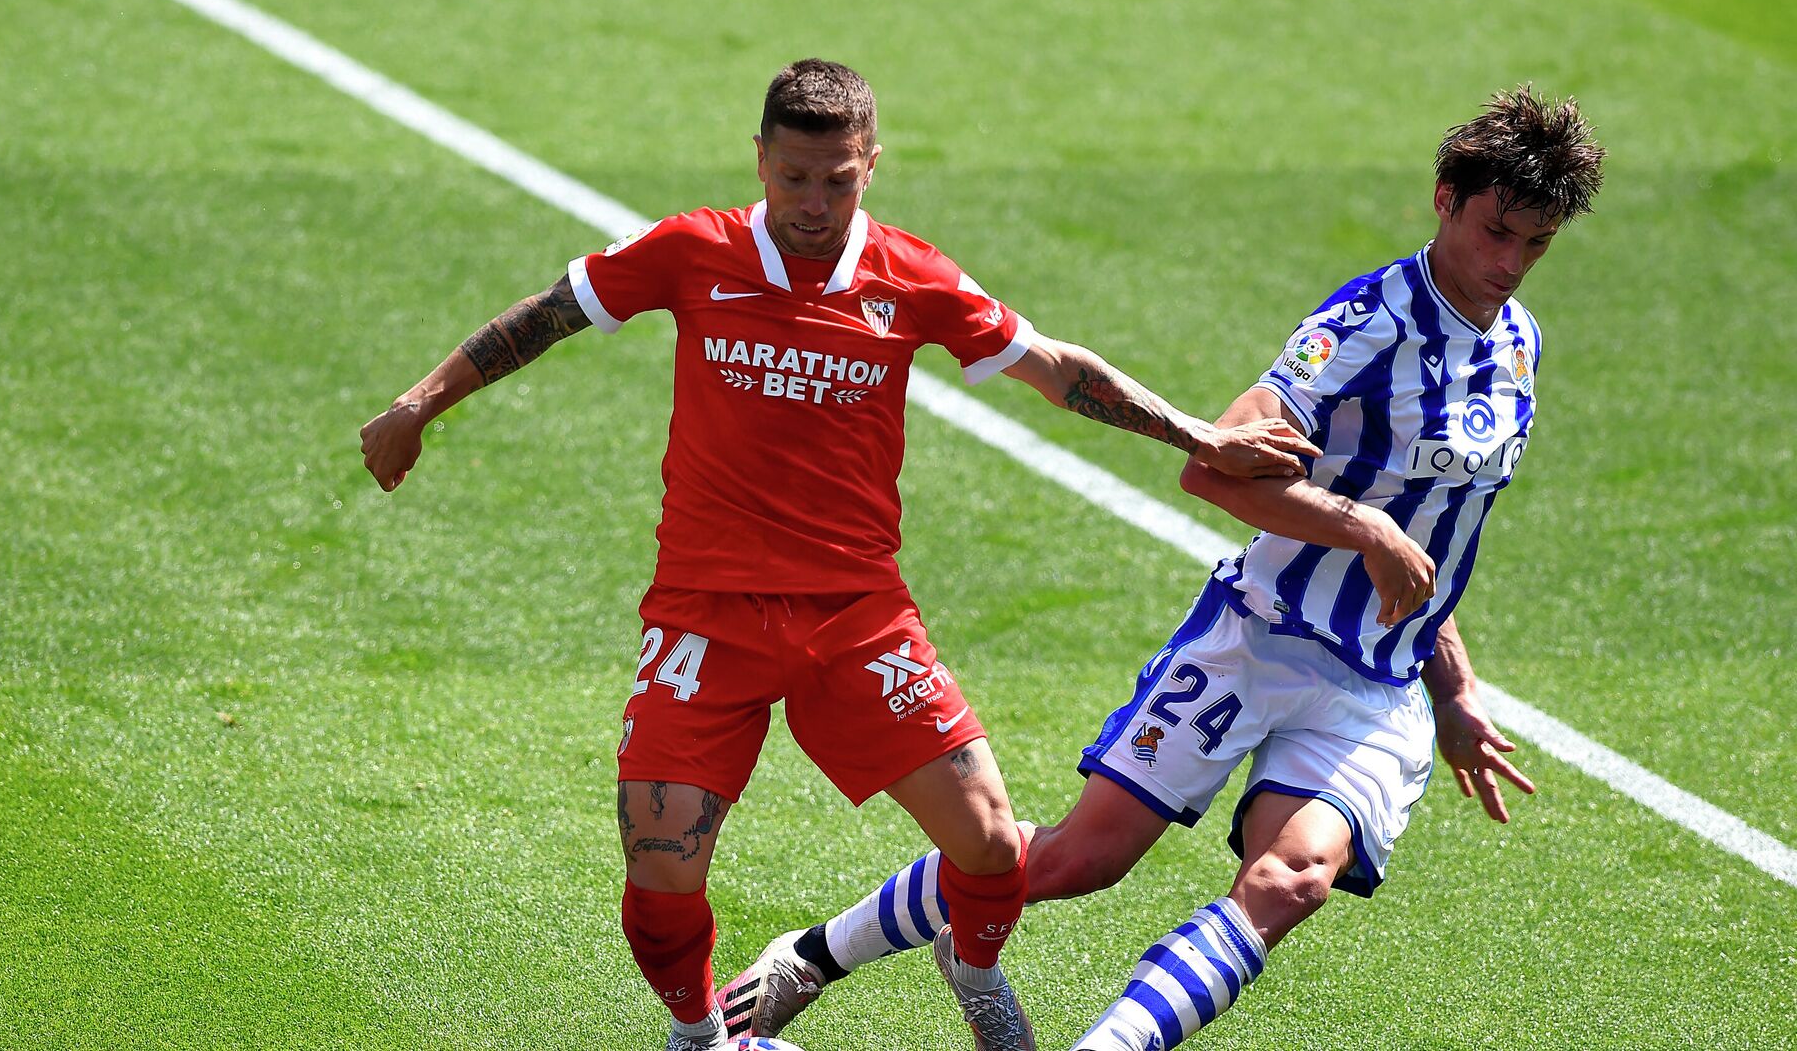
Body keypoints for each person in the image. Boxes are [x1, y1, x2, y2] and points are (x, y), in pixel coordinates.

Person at [359, 58, 1316, 1051]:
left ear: (871, 166)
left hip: (856, 615)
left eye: (839, 180)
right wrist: (419, 404)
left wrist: (1201, 437)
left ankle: (972, 963)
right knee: (658, 860)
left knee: (991, 846)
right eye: (794, 179)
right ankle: (700, 1036)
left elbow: (1056, 369)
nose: (813, 205)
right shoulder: (694, 250)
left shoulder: (912, 276)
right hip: (707, 611)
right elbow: (550, 313)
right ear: (762, 161)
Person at [718, 85, 1605, 1050]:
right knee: (1076, 862)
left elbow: (1437, 536)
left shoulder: (1517, 344)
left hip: (1378, 685)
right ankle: (810, 955)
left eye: (1536, 246)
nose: (1509, 265)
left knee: (1293, 880)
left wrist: (1456, 688)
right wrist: (1365, 530)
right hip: (1260, 639)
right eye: (1497, 231)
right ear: (1445, 199)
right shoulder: (1363, 327)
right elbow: (1215, 465)